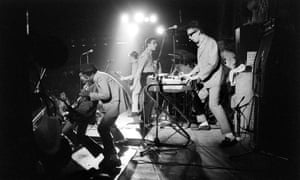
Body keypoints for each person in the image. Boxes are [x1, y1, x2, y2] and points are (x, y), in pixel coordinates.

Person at [182, 21, 237, 146]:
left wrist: (198, 76)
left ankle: (230, 136)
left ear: (199, 32)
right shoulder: (201, 44)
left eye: (191, 34)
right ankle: (203, 122)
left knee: (214, 105)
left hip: (214, 80)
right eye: (188, 36)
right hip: (208, 81)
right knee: (197, 98)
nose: (189, 38)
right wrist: (190, 74)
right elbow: (201, 64)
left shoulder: (210, 42)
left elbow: (213, 63)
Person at [79, 63, 130, 169]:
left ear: (88, 75)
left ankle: (112, 156)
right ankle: (111, 155)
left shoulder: (99, 78)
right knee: (103, 128)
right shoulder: (100, 76)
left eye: (83, 76)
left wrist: (88, 94)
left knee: (103, 128)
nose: (83, 79)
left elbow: (106, 95)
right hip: (115, 102)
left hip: (116, 102)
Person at [131, 37, 160, 124]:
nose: (156, 45)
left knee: (149, 99)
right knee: (149, 99)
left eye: (156, 43)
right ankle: (146, 120)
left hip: (150, 76)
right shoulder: (145, 55)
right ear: (148, 44)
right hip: (146, 77)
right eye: (154, 43)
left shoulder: (150, 54)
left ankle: (145, 118)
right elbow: (139, 71)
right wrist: (134, 84)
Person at [120, 51, 141, 116]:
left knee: (134, 96)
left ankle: (135, 112)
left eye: (130, 58)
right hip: (139, 81)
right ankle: (136, 111)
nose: (129, 59)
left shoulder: (135, 63)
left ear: (133, 57)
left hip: (137, 82)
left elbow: (134, 75)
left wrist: (124, 78)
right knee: (136, 96)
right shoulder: (138, 62)